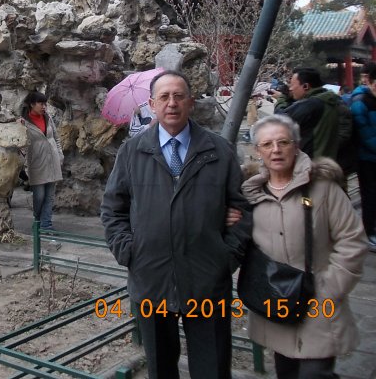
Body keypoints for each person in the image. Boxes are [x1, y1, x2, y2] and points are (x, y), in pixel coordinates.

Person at [101, 70, 251, 379]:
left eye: (179, 96)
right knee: (161, 369)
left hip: (206, 280)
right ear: (152, 105)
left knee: (212, 367)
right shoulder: (132, 152)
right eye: (164, 97)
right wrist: (130, 252)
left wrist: (226, 257)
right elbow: (113, 209)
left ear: (191, 103)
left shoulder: (218, 151)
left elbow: (241, 210)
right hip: (151, 280)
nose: (172, 104)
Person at [242, 115, 367, 377]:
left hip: (318, 303)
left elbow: (352, 240)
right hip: (275, 304)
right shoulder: (252, 193)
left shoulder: (323, 188)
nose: (275, 150)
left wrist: (329, 287)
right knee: (285, 370)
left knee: (315, 372)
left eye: (283, 142)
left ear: (296, 145)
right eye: (267, 145)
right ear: (258, 151)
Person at [19, 91, 64, 233]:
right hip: (36, 163)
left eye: (45, 104)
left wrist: (60, 154)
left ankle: (46, 224)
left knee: (50, 196)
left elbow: (56, 137)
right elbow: (21, 144)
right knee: (39, 196)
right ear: (32, 104)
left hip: (52, 160)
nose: (44, 106)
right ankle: (37, 220)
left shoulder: (47, 117)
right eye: (41, 103)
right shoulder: (24, 122)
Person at [274, 67, 341, 160]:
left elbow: (280, 120)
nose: (290, 88)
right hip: (326, 160)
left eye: (292, 85)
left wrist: (282, 98)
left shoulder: (311, 104)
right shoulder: (329, 100)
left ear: (305, 86)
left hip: (311, 163)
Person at [349, 61, 376, 252]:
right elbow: (365, 134)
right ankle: (370, 231)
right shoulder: (360, 102)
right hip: (366, 158)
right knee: (370, 195)